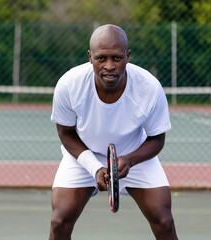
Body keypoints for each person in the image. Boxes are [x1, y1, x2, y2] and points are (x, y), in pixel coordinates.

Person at [49, 24, 178, 240]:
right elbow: (66, 133)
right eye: (102, 58)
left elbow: (157, 139)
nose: (109, 66)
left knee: (164, 220)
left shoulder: (149, 87)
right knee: (59, 220)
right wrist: (93, 167)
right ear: (90, 57)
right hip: (84, 156)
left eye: (117, 58)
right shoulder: (69, 84)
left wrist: (129, 160)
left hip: (134, 155)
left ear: (127, 56)